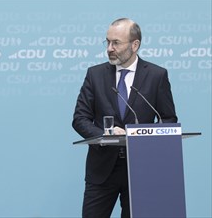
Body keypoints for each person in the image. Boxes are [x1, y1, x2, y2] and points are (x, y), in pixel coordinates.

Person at [72, 18, 177, 218]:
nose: (109, 48)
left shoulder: (157, 75)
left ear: (135, 44)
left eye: (116, 43)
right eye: (108, 42)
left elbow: (168, 120)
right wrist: (105, 134)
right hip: (102, 169)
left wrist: (145, 138)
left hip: (141, 168)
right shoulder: (95, 75)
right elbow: (80, 118)